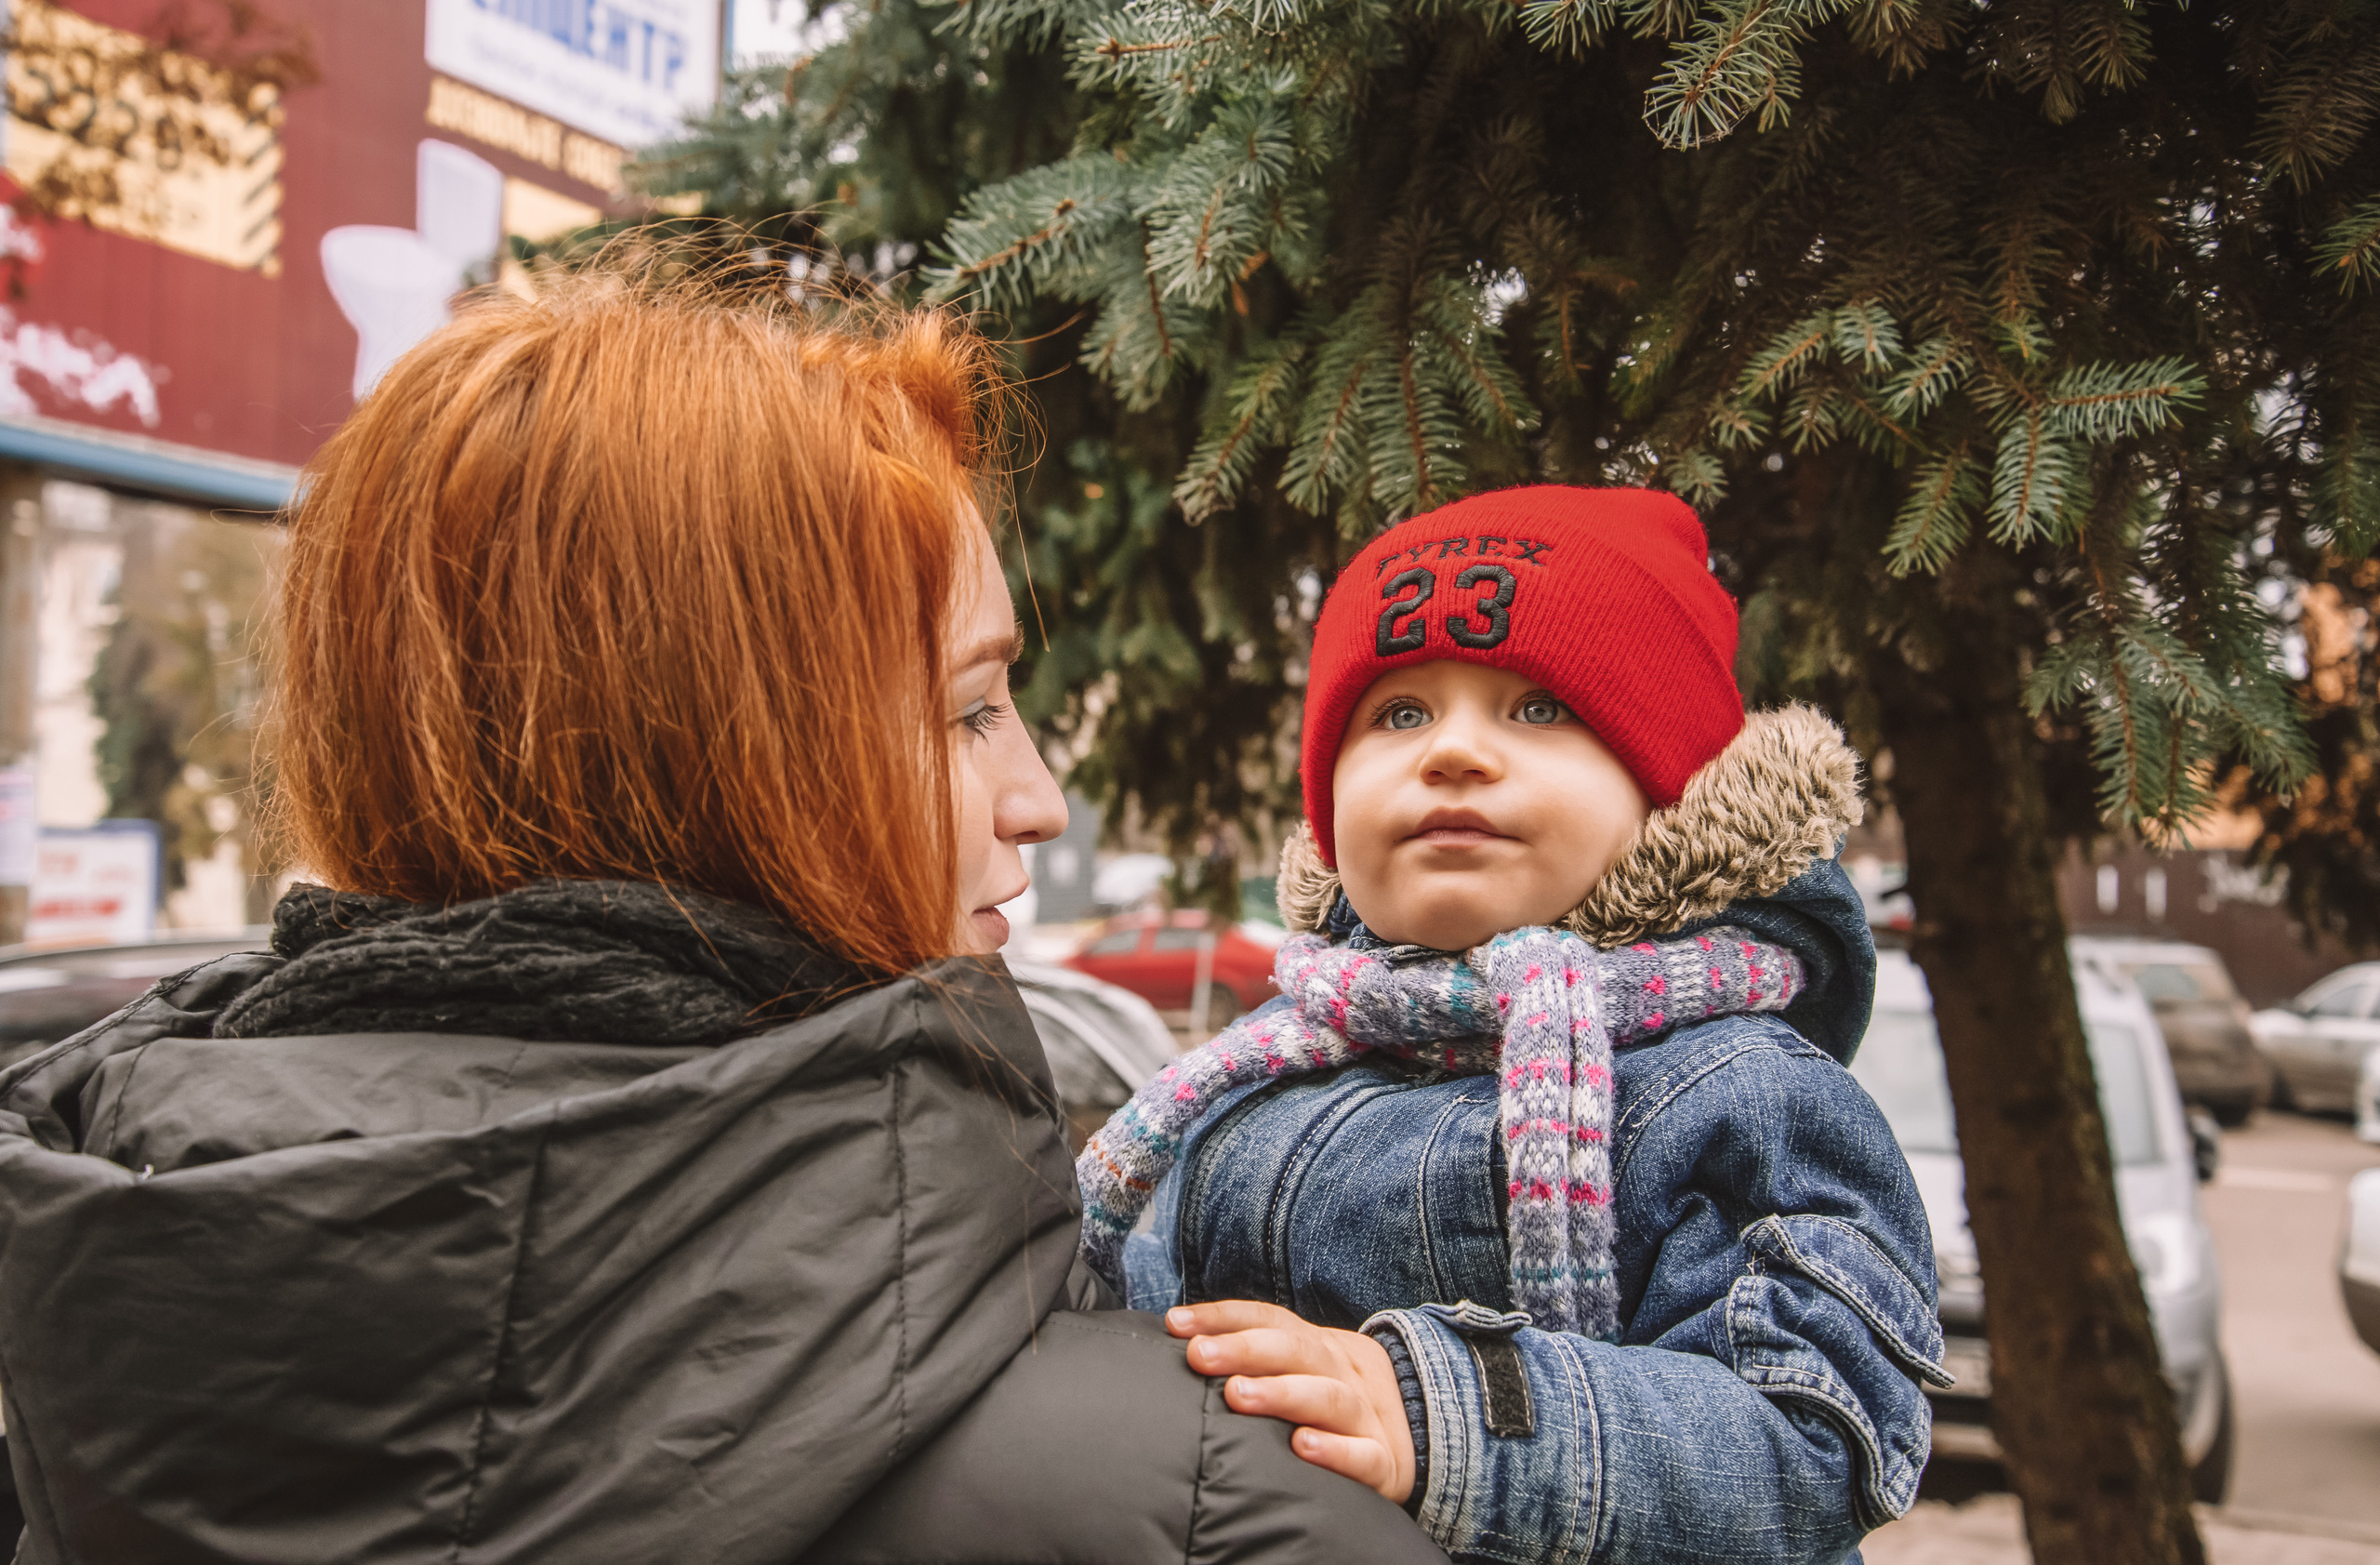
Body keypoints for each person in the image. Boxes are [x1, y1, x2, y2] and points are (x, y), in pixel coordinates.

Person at [0, 268, 1447, 1564]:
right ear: (711, 762)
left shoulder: (76, 1351)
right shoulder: (1190, 1493)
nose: (1040, 794)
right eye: (967, 708)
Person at [1078, 488, 1948, 1564]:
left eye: (1536, 708)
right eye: (1399, 713)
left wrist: (1441, 1410)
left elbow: (1817, 1436)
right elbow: (1143, 1329)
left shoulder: (1744, 1088)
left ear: (1667, 793)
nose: (1452, 752)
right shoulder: (1254, 1079)